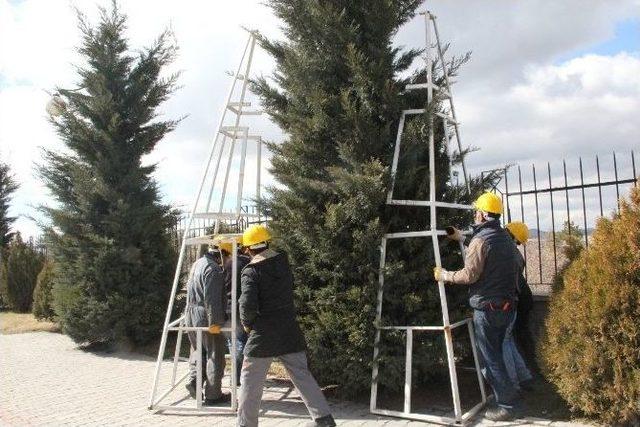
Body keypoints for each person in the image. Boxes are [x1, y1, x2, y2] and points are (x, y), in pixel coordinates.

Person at [237, 224, 336, 427]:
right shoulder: (283, 262)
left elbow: (247, 305)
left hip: (263, 334)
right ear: (268, 243)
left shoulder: (251, 270)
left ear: (248, 249)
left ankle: (246, 424)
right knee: (301, 374)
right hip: (289, 329)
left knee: (250, 379)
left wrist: (247, 324)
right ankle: (324, 419)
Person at [434, 193, 520, 421]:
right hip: (507, 307)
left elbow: (470, 274)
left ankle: (506, 406)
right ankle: (509, 394)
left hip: (488, 309)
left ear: (482, 213)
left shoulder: (482, 241)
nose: (475, 214)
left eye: (476, 211)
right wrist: (461, 237)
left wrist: (445, 275)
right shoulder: (504, 238)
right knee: (499, 353)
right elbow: (484, 248)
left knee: (490, 359)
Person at [184, 245, 230, 405]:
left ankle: (194, 381)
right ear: (222, 255)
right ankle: (213, 395)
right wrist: (215, 322)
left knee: (198, 350)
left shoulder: (198, 263)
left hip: (190, 313)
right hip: (205, 314)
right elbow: (212, 299)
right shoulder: (214, 269)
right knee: (214, 353)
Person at [505, 221, 539, 377]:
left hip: (520, 299)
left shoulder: (508, 251)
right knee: (518, 337)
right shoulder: (515, 253)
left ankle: (532, 371)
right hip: (524, 297)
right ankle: (531, 372)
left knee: (516, 338)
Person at [216, 236, 251, 386]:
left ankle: (235, 376)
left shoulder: (226, 264)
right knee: (240, 341)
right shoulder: (246, 263)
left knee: (233, 341)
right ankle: (236, 377)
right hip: (238, 308)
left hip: (227, 307)